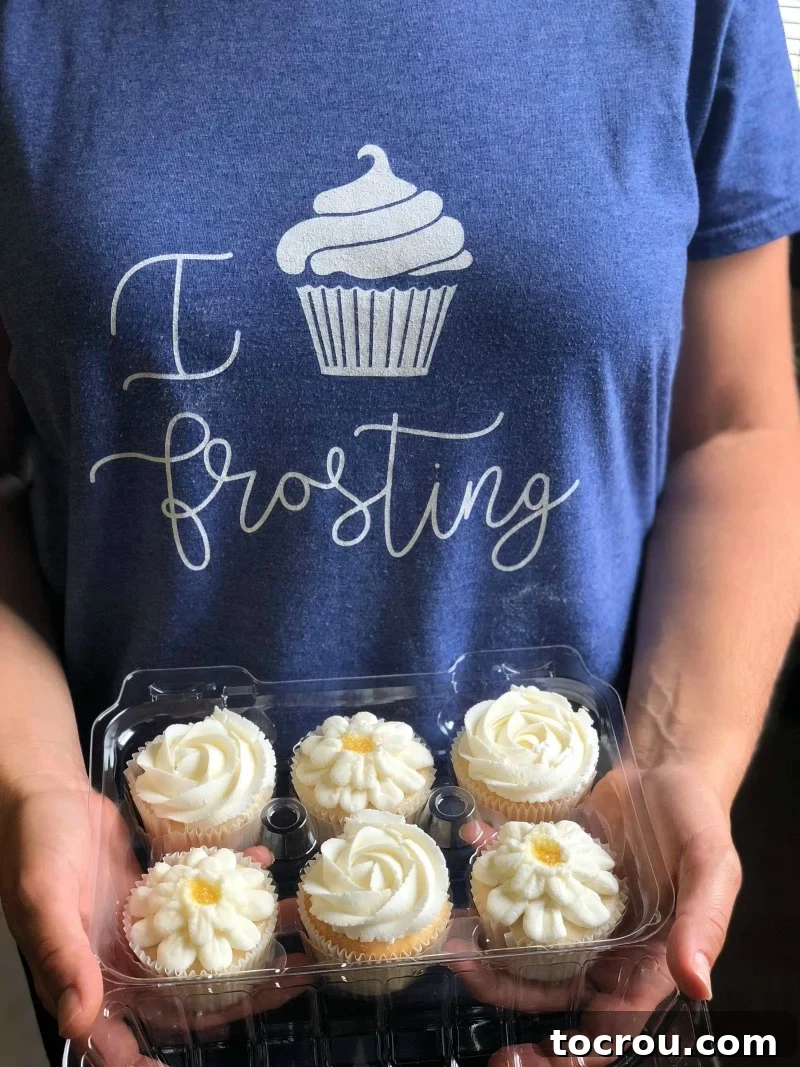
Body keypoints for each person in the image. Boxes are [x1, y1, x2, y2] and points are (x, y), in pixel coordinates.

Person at [1, 2, 799, 1064]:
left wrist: (675, 762)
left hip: (574, 913)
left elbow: (734, 425)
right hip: (145, 948)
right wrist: (40, 784)